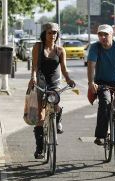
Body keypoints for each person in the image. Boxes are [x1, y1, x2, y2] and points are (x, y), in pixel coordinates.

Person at [29, 22, 75, 159]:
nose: (53, 35)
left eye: (55, 33)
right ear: (44, 34)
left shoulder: (60, 50)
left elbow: (64, 69)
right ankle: (40, 149)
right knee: (40, 115)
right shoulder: (38, 46)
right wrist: (33, 78)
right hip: (41, 81)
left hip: (54, 82)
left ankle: (58, 121)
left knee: (56, 105)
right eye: (50, 32)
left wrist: (69, 80)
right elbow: (34, 66)